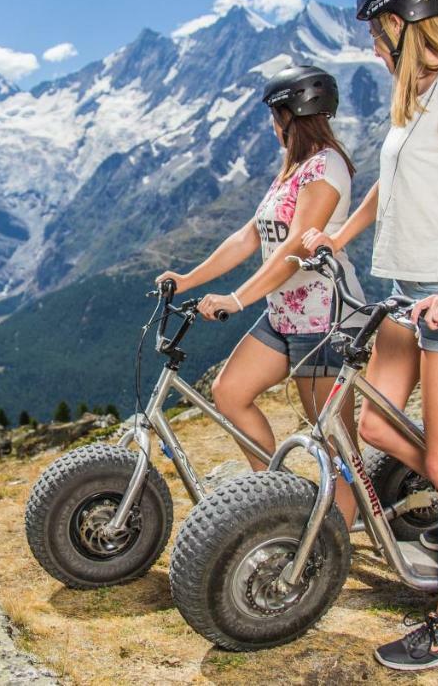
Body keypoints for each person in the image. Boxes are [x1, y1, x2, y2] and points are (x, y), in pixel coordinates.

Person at [302, 0, 438, 671]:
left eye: (376, 28)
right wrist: (338, 236)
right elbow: (390, 189)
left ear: (403, 20)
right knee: (376, 424)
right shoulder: (412, 95)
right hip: (405, 290)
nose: (371, 43)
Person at [156, 65, 365, 528]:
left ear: (291, 115)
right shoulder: (290, 170)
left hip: (323, 317)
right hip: (283, 313)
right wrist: (188, 279)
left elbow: (294, 246)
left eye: (275, 115)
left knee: (333, 436)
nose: (272, 125)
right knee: (229, 392)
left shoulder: (325, 167)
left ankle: (343, 532)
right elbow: (250, 236)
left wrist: (237, 298)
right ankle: (274, 499)